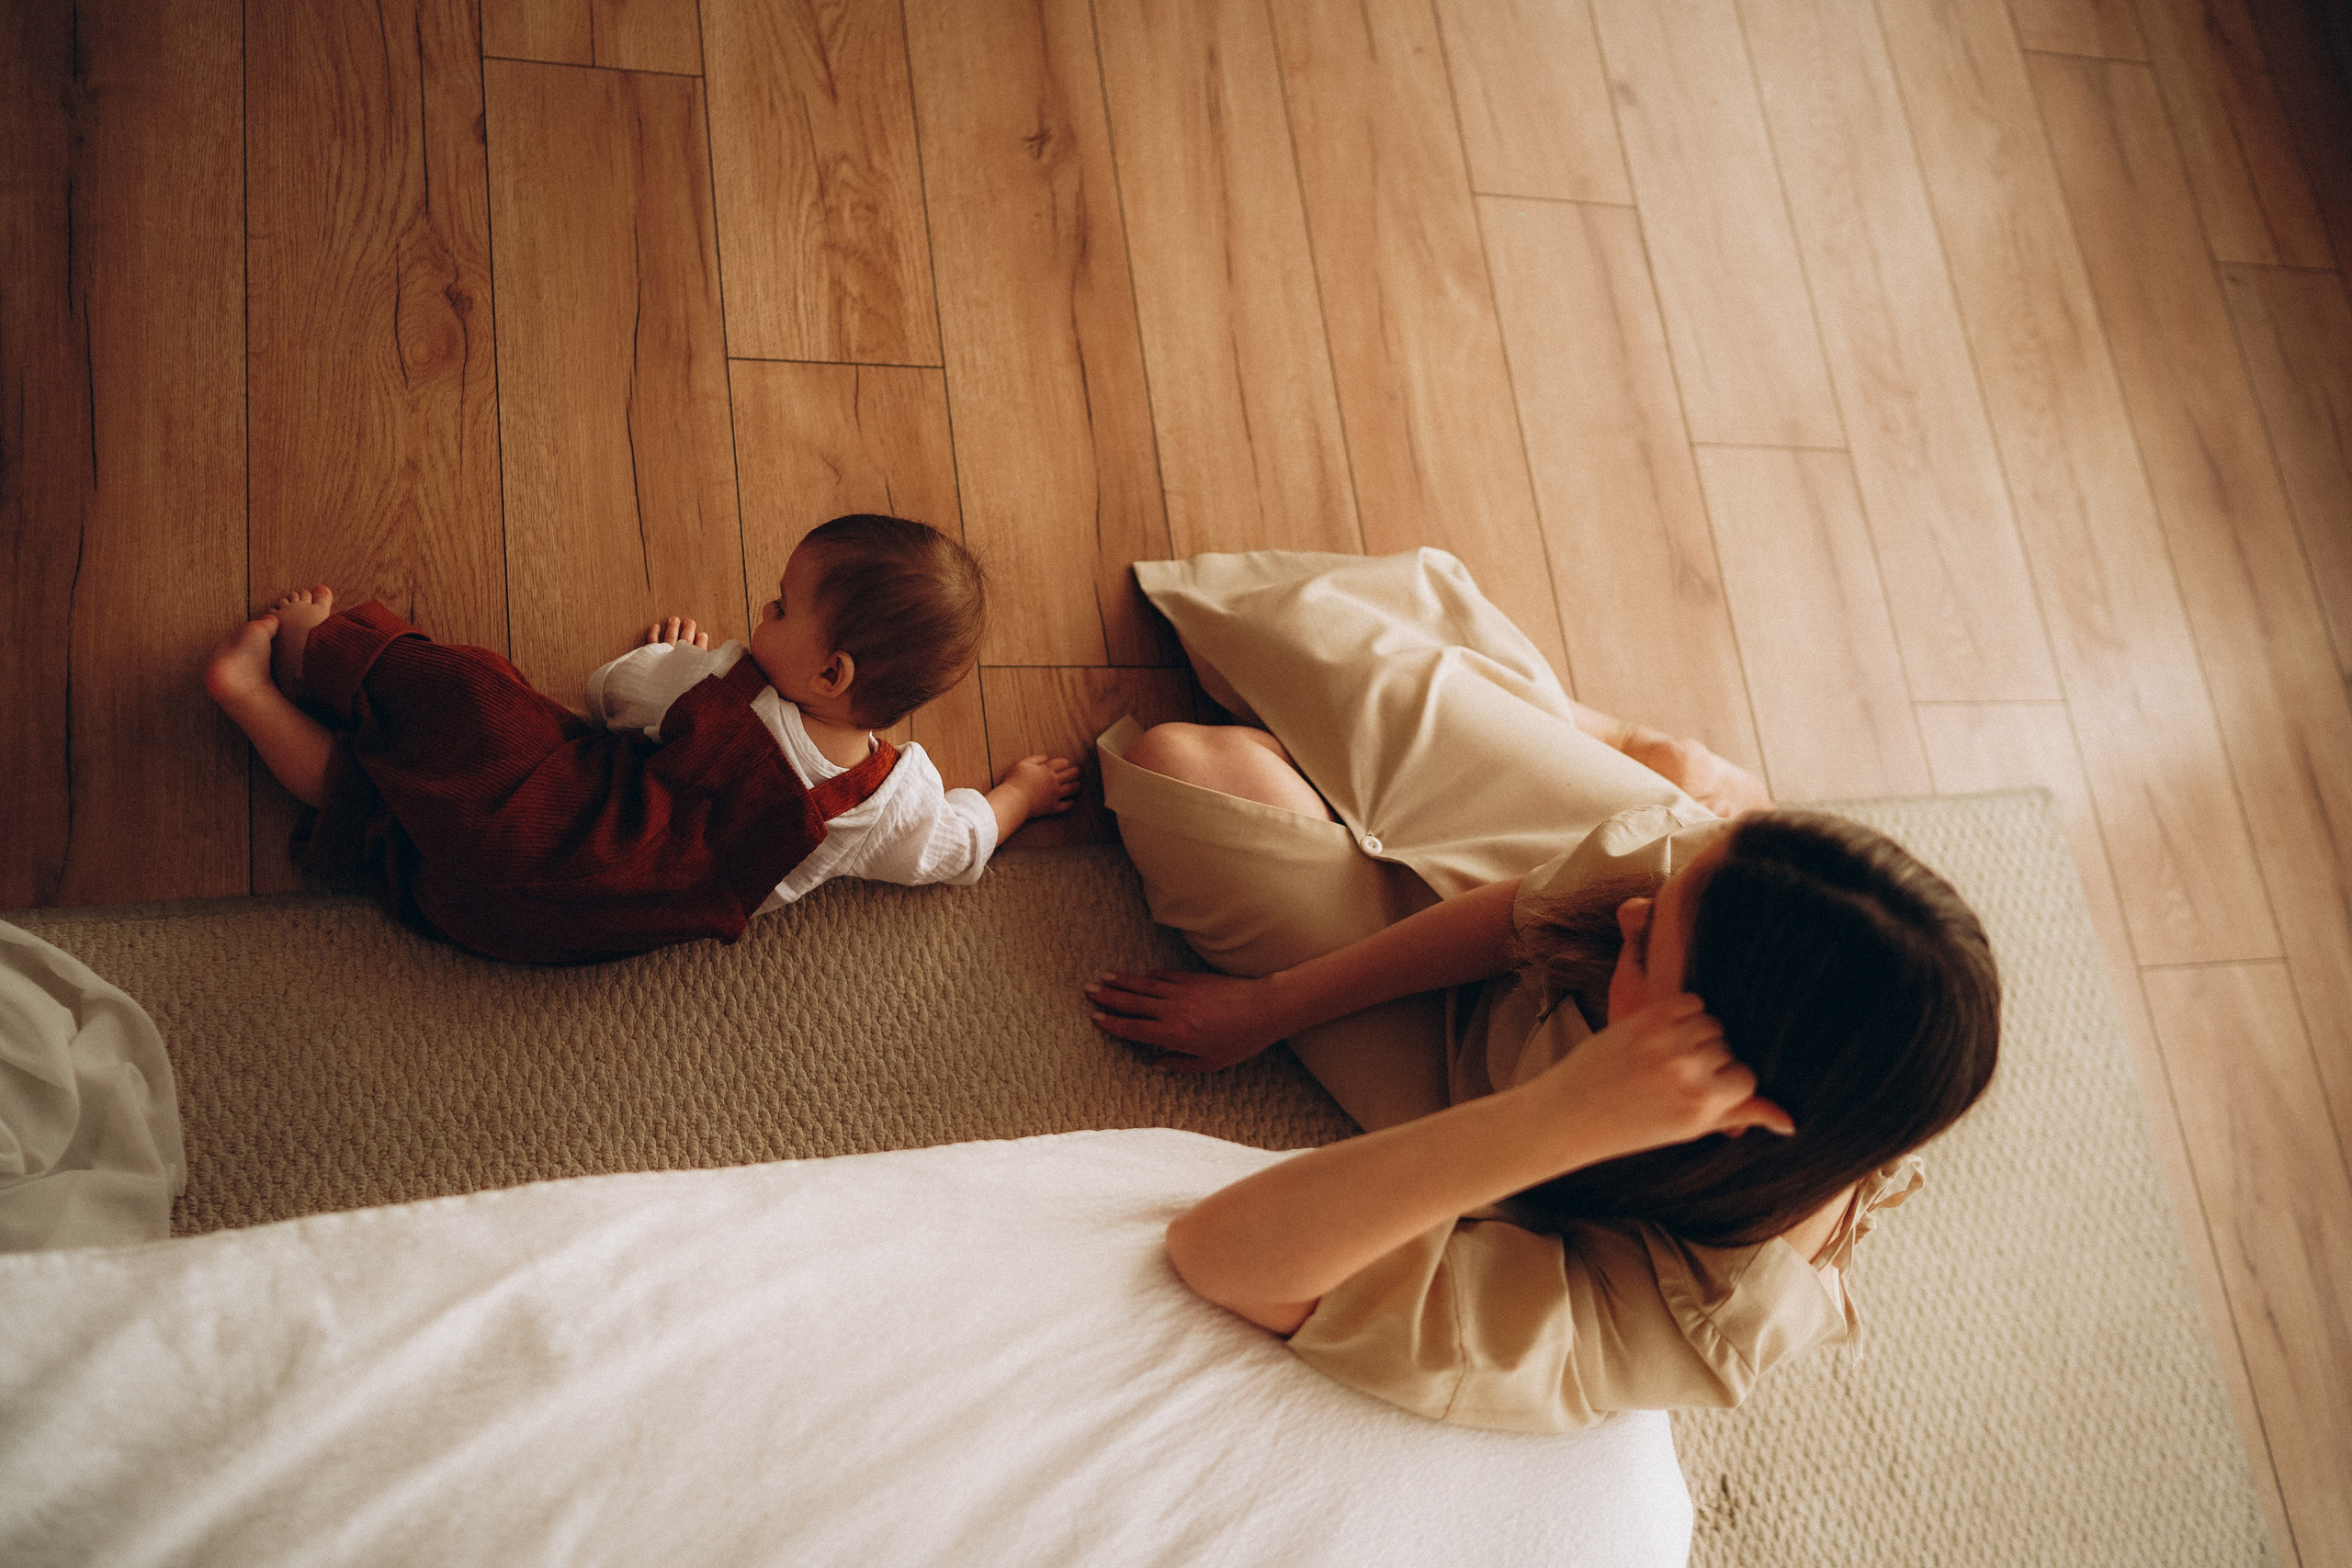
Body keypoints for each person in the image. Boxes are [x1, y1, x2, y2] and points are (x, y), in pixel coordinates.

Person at [1080, 547, 1999, 1432]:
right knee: (1300, 633)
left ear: (1701, 1079)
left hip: (1484, 1078)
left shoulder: (1694, 1319)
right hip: (1553, 886)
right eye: (1665, 893)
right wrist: (1275, 1003)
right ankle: (1614, 744)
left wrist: (1561, 1115)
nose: (1630, 916)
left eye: (1648, 950)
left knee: (1189, 772)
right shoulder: (1688, 883)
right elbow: (1531, 910)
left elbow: (1225, 1255)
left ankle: (1604, 748)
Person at [202, 514, 1079, 965]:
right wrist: (1021, 796)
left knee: (472, 703)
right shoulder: (889, 802)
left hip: (550, 825)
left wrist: (667, 659)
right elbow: (960, 847)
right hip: (540, 926)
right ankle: (245, 695)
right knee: (369, 810)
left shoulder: (717, 693)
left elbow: (609, 694)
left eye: (779, 606)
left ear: (832, 674)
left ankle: (325, 649)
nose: (761, 609)